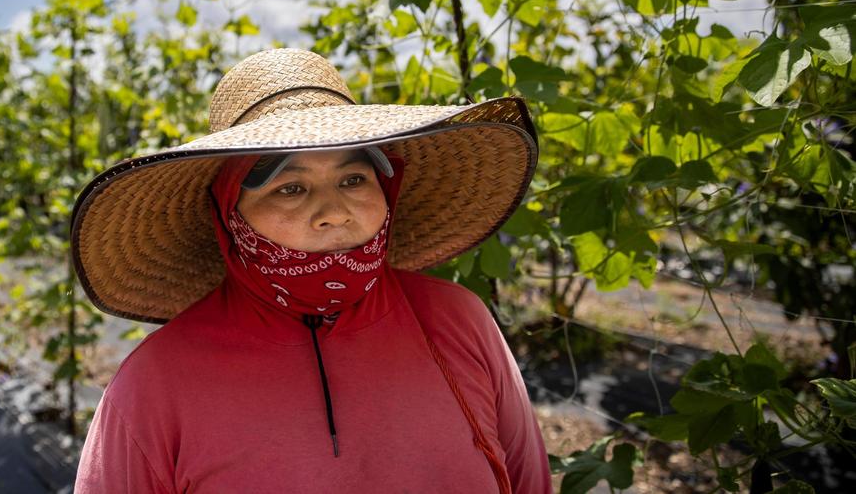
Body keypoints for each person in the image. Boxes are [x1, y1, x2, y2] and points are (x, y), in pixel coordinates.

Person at [70, 47, 552, 493]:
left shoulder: (458, 323)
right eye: (289, 187)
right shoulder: (154, 386)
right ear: (229, 214)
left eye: (353, 178)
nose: (334, 211)